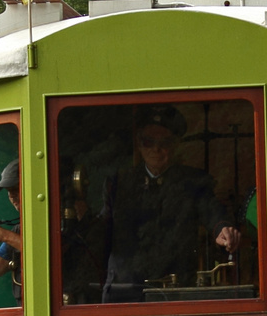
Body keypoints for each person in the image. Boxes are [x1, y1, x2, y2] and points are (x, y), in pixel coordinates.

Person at [102, 105, 242, 302]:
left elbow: (212, 212)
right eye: (148, 141)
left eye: (164, 142)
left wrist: (222, 230)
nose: (156, 149)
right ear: (139, 144)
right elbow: (103, 234)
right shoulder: (118, 184)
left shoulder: (193, 182)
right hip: (126, 292)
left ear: (176, 144)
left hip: (176, 291)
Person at [0, 159, 22, 305]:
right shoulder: (19, 229)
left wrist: (4, 235)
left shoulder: (57, 222)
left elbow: (45, 255)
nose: (12, 197)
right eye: (9, 192)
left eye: (15, 189)